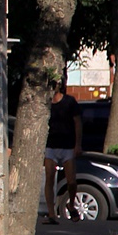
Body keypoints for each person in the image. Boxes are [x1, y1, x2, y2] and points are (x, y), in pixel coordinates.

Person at [43, 77, 82, 224]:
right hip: (50, 146)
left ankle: (71, 204)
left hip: (67, 146)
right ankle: (52, 214)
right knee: (49, 178)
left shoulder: (70, 102)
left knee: (71, 181)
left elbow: (78, 123)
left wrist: (78, 144)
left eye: (56, 84)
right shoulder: (45, 104)